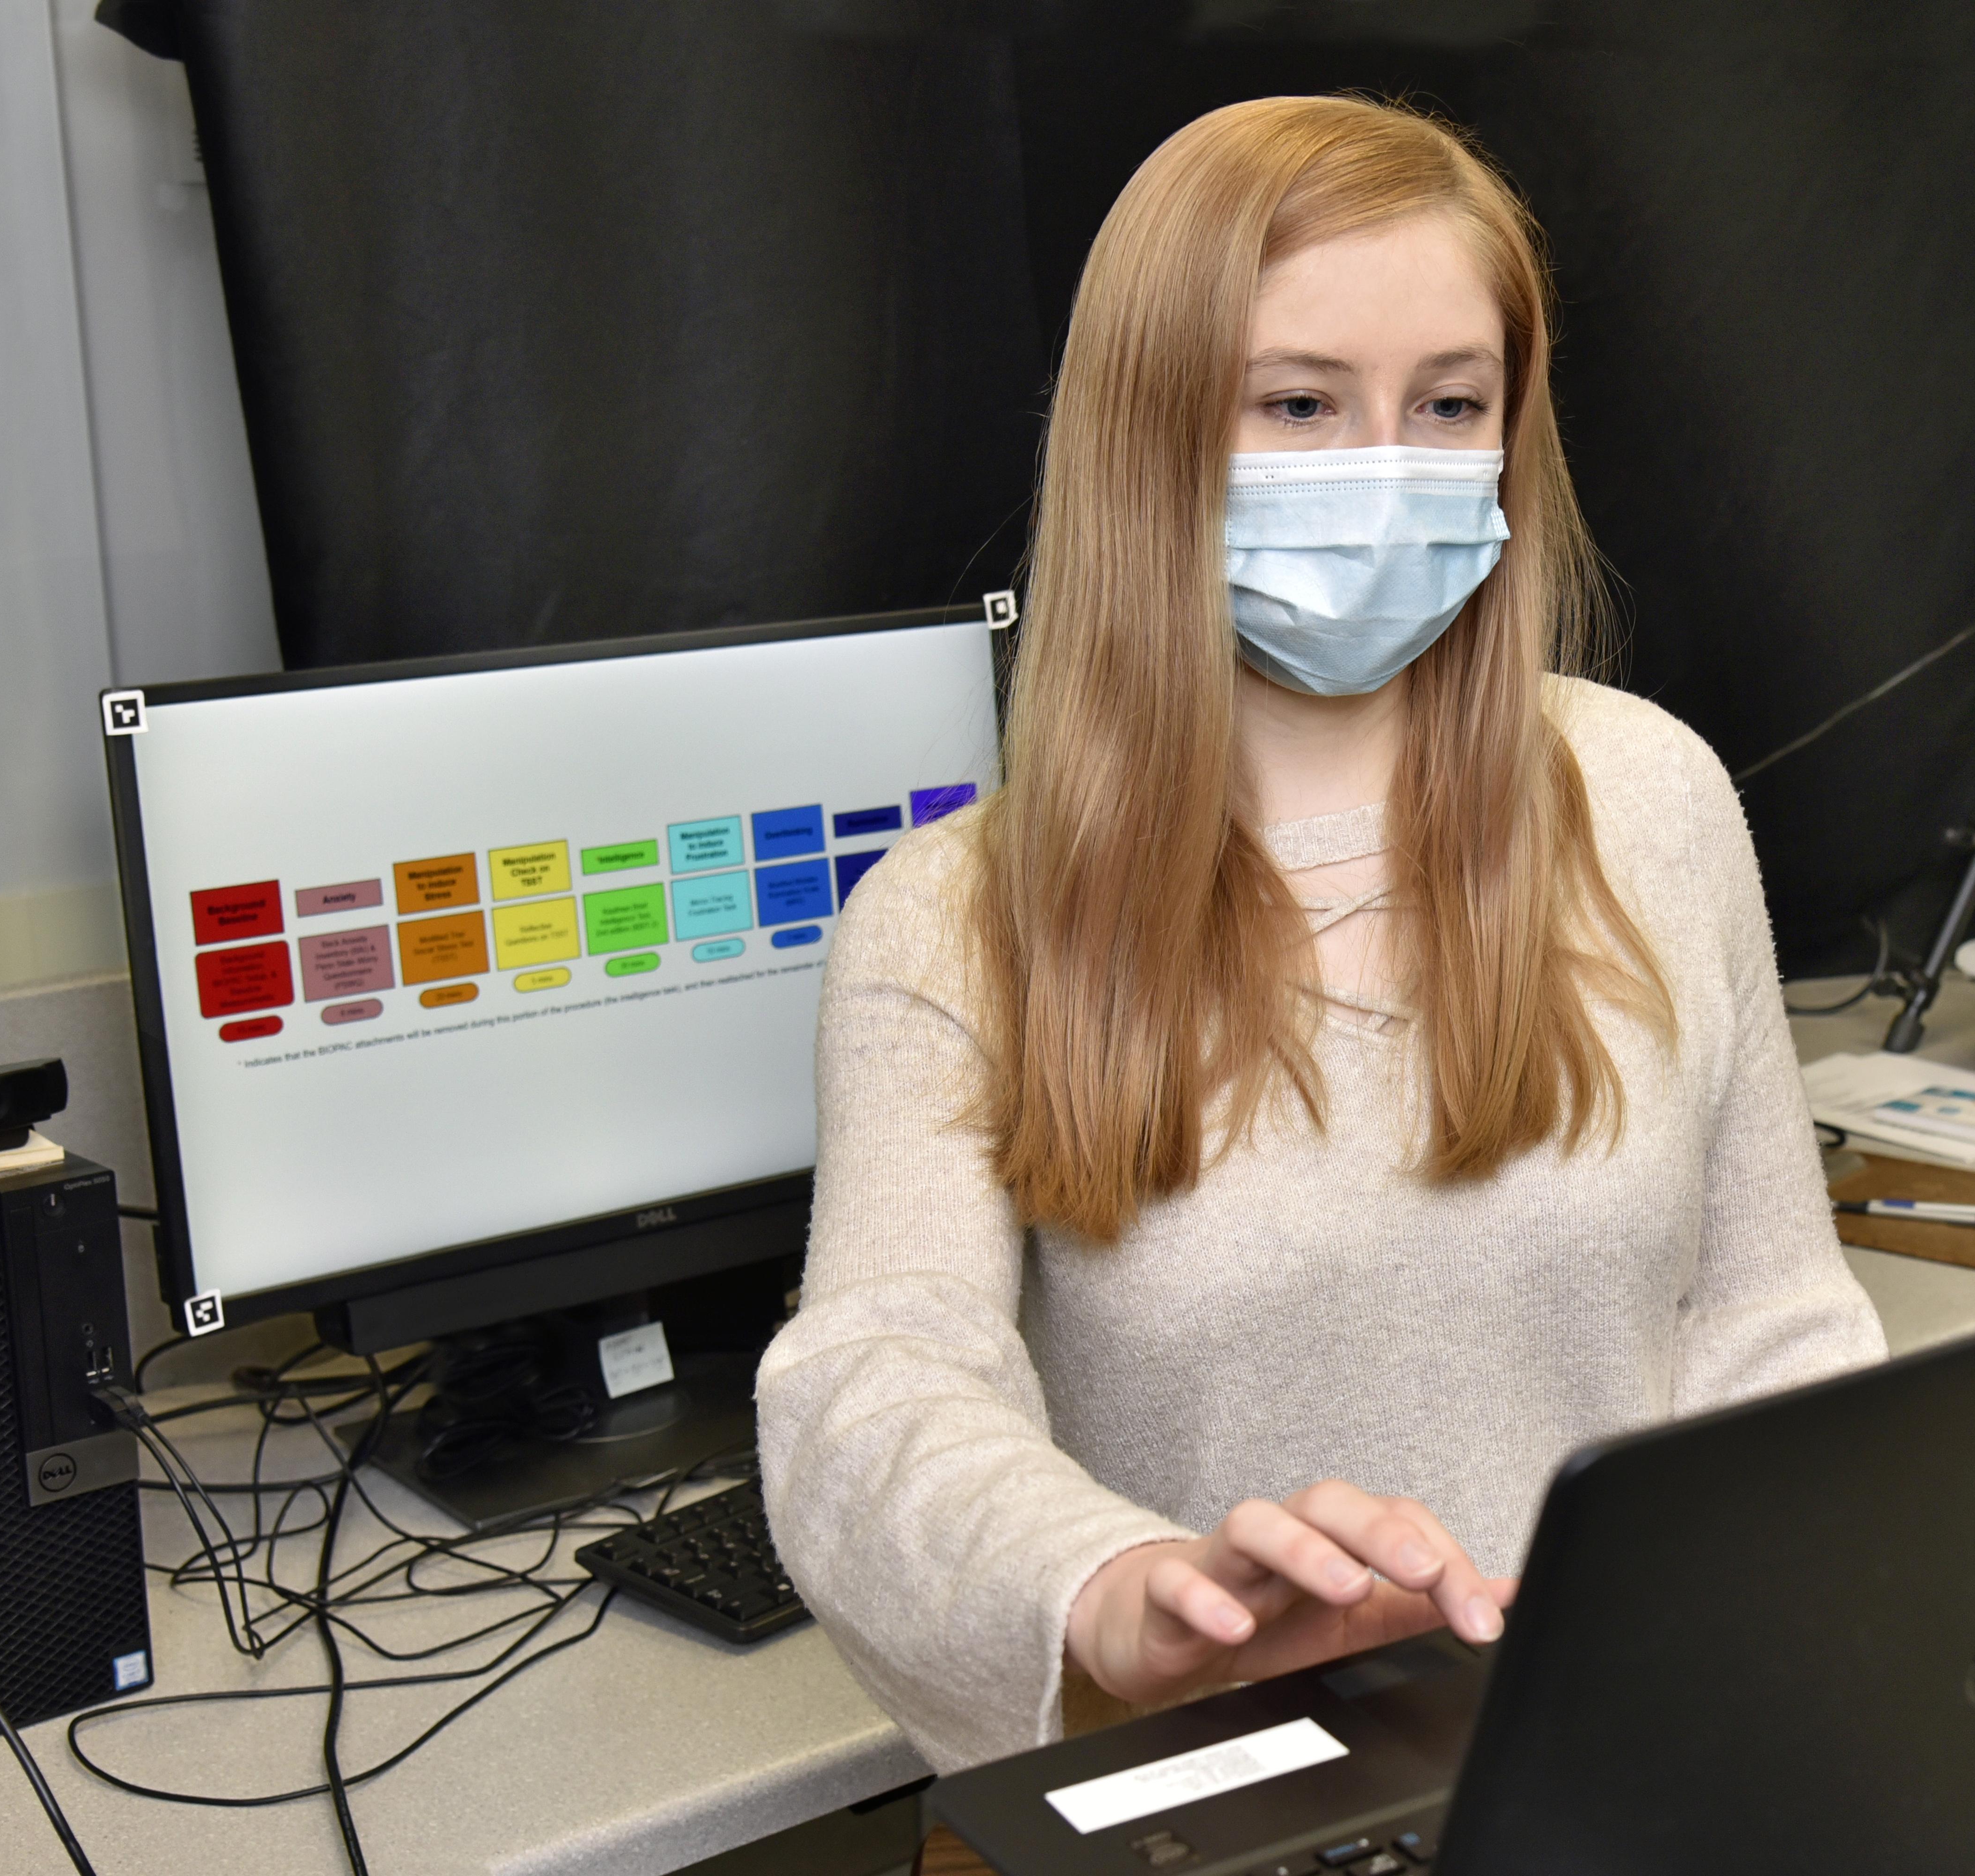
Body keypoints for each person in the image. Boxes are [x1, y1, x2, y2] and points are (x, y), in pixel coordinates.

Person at [756, 94, 1884, 1770]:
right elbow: (875, 1389)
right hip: (1228, 1777)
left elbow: (1775, 1321)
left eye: (1450, 405)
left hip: (1621, 1748)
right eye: (1299, 404)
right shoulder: (948, 924)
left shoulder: (1647, 797)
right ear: (1148, 429)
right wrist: (1120, 1589)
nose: (1386, 471)